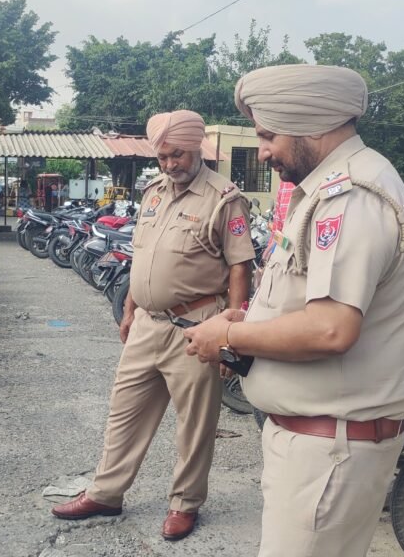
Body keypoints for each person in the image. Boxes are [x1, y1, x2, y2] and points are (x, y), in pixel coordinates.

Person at [183, 64, 404, 557]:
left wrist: (227, 337)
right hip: (321, 442)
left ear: (311, 125)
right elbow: (308, 304)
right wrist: (249, 323)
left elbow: (331, 329)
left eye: (268, 136)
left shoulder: (351, 196)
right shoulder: (329, 188)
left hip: (329, 447)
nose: (263, 151)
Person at [50, 109, 255, 541]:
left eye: (177, 155)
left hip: (196, 327)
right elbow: (141, 255)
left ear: (196, 148)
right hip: (146, 323)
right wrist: (129, 309)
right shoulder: (153, 192)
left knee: (194, 425)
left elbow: (241, 267)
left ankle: (185, 503)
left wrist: (231, 334)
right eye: (162, 157)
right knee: (123, 412)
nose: (169, 164)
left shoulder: (224, 198)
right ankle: (106, 493)